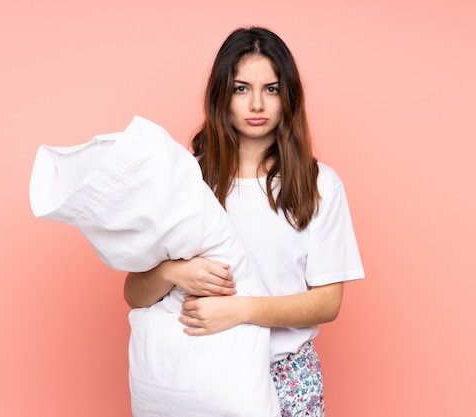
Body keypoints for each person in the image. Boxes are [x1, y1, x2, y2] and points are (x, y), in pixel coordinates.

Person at [124, 26, 364, 416]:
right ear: (222, 95)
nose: (256, 104)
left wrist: (240, 310)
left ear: (289, 97)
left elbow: (327, 301)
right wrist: (173, 272)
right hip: (202, 376)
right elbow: (134, 294)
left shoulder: (320, 185)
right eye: (241, 88)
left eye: (271, 89)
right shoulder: (189, 181)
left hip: (287, 376)